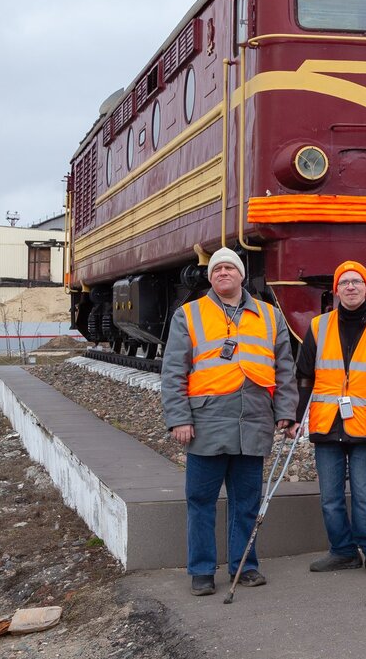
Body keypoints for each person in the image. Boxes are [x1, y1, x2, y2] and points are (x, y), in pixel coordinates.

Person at [160, 247, 297, 596]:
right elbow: (174, 370)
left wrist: (285, 411)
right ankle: (202, 571)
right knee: (201, 499)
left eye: (229, 268)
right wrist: (178, 418)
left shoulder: (269, 315)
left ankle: (245, 566)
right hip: (206, 421)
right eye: (217, 268)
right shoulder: (188, 315)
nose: (223, 272)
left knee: (246, 501)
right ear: (210, 277)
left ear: (240, 275)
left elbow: (284, 368)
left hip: (253, 421)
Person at [295, 260, 366, 575]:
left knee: (365, 495)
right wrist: (298, 416)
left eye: (357, 282)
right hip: (327, 423)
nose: (351, 287)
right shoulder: (319, 326)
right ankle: (342, 551)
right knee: (330, 497)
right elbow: (304, 376)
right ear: (336, 290)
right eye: (345, 283)